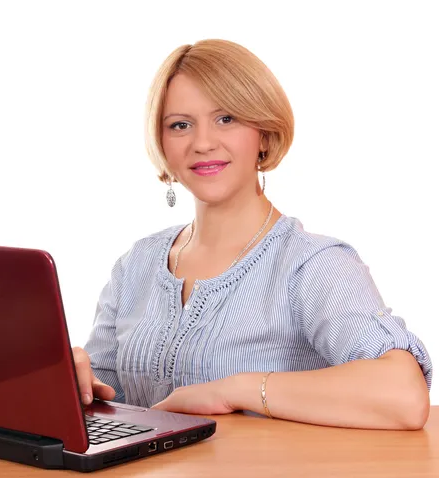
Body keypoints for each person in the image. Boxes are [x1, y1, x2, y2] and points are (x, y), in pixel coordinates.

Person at [72, 39, 433, 430]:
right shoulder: (136, 265)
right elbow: (106, 400)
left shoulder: (312, 264)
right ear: (161, 142)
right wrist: (76, 382)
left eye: (226, 119)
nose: (203, 143)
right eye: (180, 125)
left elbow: (405, 397)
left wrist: (236, 390)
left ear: (263, 134)